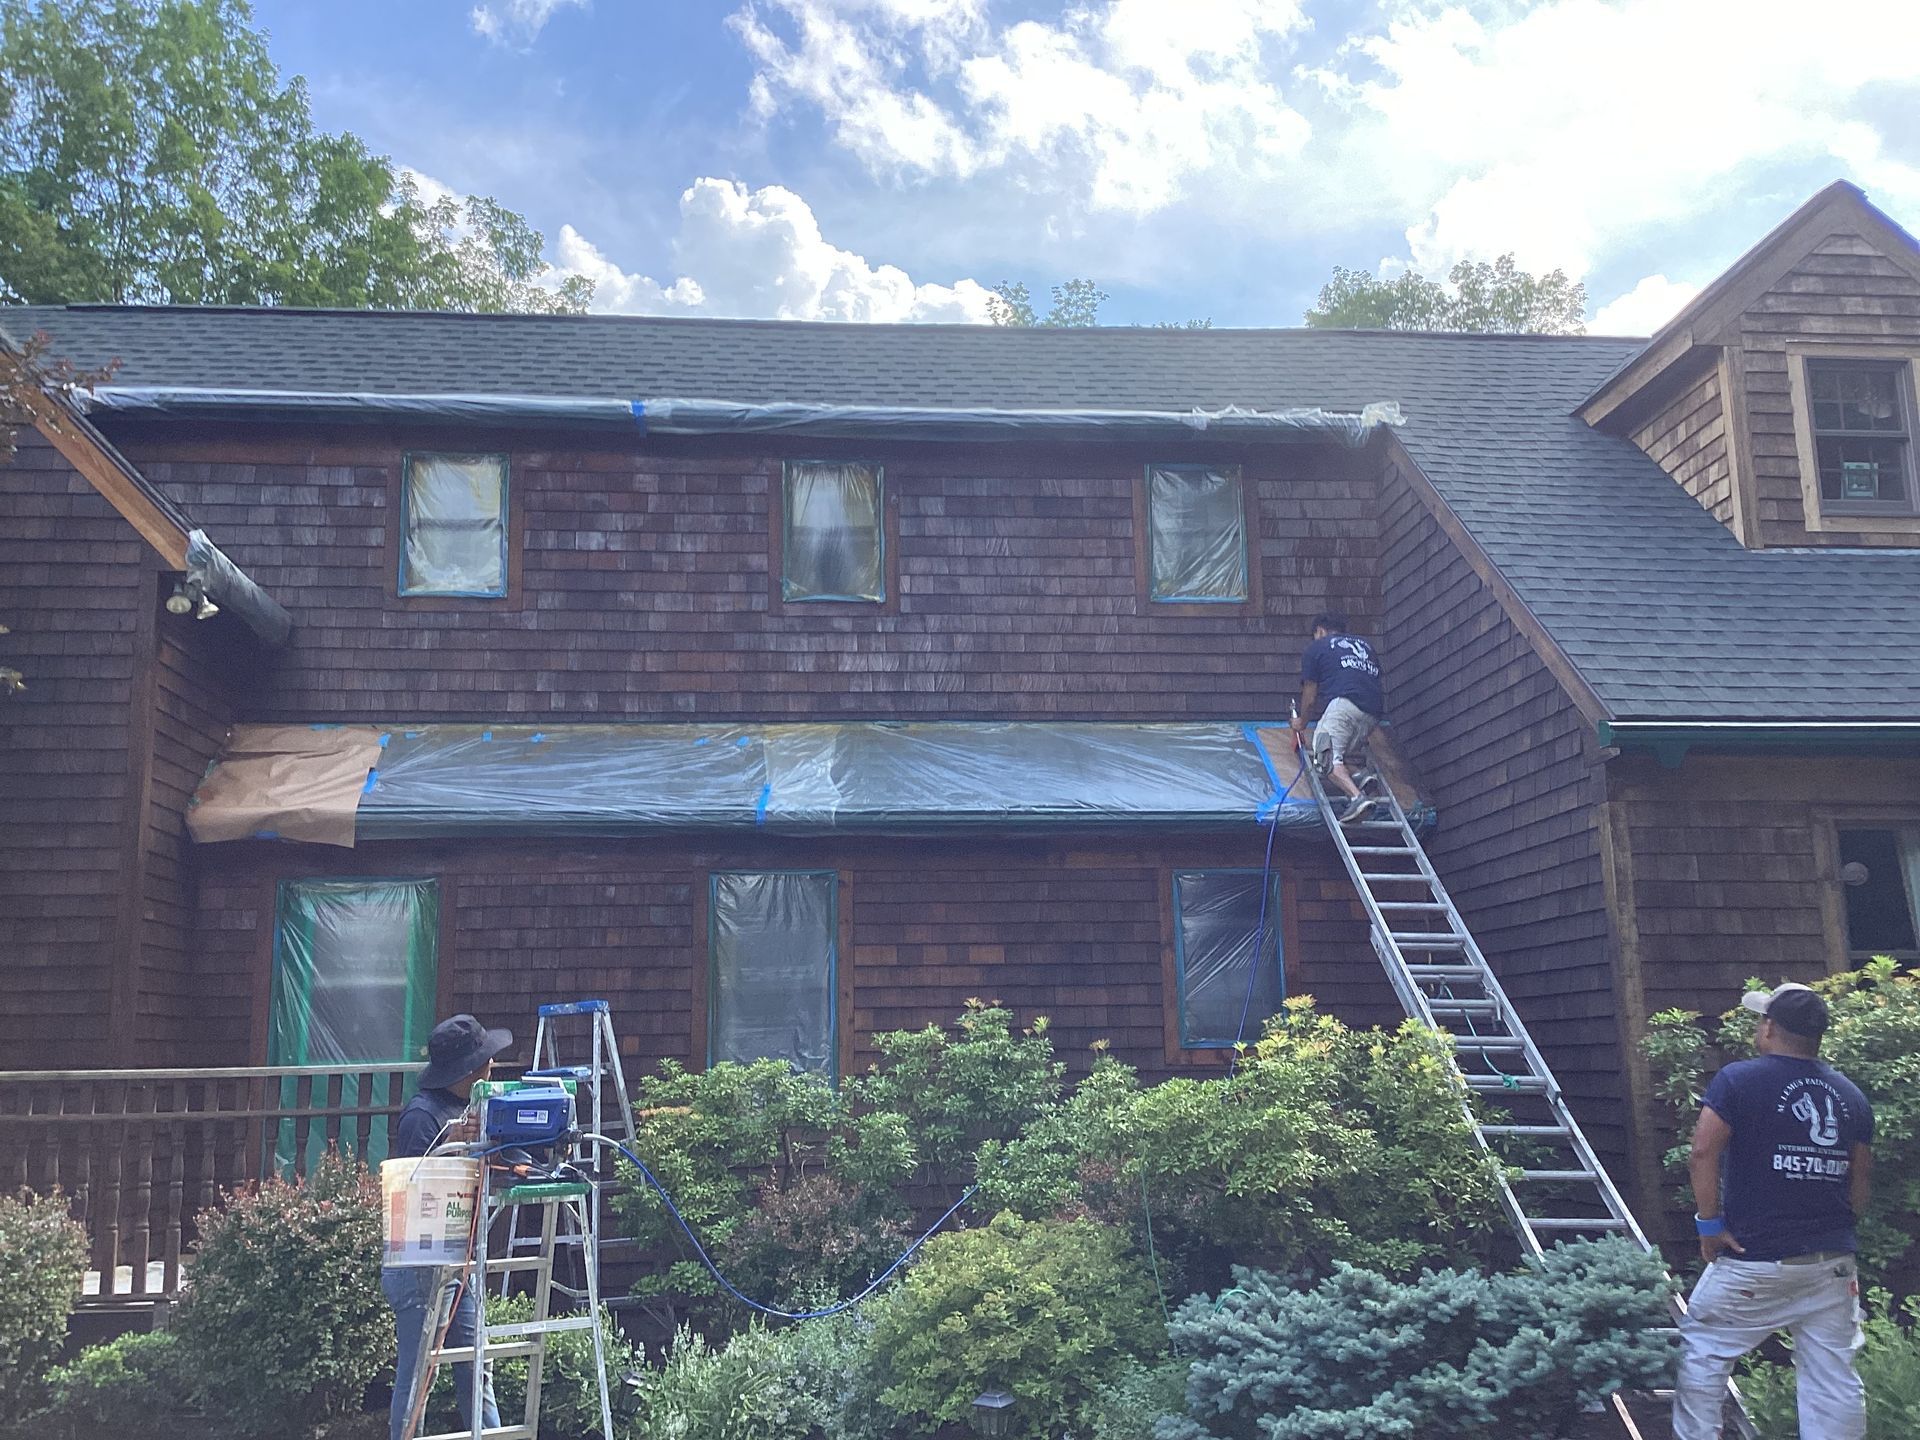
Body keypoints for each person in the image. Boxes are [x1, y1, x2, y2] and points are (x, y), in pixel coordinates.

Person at [1673, 982, 1874, 1440]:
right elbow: (1859, 1181)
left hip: (1756, 1257)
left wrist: (1709, 1226)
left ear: (1769, 1027)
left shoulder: (1738, 1080)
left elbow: (1703, 1152)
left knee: (1705, 1347)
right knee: (1832, 1376)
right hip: (1832, 1263)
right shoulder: (1851, 1095)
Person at [385, 1014, 513, 1440]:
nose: (491, 1067)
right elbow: (410, 1186)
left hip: (461, 1260)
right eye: (484, 1062)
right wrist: (451, 1139)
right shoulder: (422, 1116)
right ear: (466, 1071)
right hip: (419, 1264)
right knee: (417, 1375)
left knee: (476, 1369)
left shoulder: (468, 1108)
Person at [1291, 611, 1386, 823]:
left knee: (1323, 756)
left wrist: (1301, 722)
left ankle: (1357, 797)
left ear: (1320, 631)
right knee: (1339, 750)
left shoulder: (1317, 647)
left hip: (1345, 704)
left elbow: (1310, 696)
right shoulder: (1366, 646)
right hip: (1373, 711)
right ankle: (1359, 776)